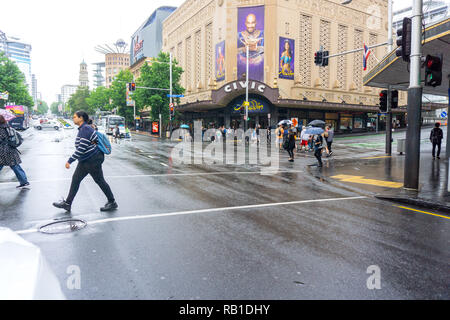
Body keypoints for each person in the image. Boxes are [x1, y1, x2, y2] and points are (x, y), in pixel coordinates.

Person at [53, 111, 117, 212]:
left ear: (81, 118)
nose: (73, 118)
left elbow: (81, 148)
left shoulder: (85, 129)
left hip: (91, 160)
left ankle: (112, 202)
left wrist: (70, 161)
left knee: (99, 180)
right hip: (87, 159)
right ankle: (68, 204)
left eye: (74, 117)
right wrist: (91, 148)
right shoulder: (85, 129)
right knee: (77, 180)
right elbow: (94, 142)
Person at [0, 115, 29, 188]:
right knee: (16, 166)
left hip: (2, 151)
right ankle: (24, 181)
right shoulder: (8, 127)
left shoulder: (0, 129)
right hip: (11, 150)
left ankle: (24, 181)